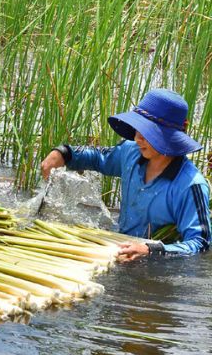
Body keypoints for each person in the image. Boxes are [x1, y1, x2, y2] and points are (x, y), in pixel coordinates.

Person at [40, 88, 210, 262]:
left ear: (168, 137)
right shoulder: (131, 152)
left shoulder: (190, 185)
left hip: (152, 264)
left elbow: (200, 243)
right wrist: (64, 153)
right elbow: (99, 158)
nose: (137, 138)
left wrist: (151, 250)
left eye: (146, 133)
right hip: (119, 250)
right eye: (137, 129)